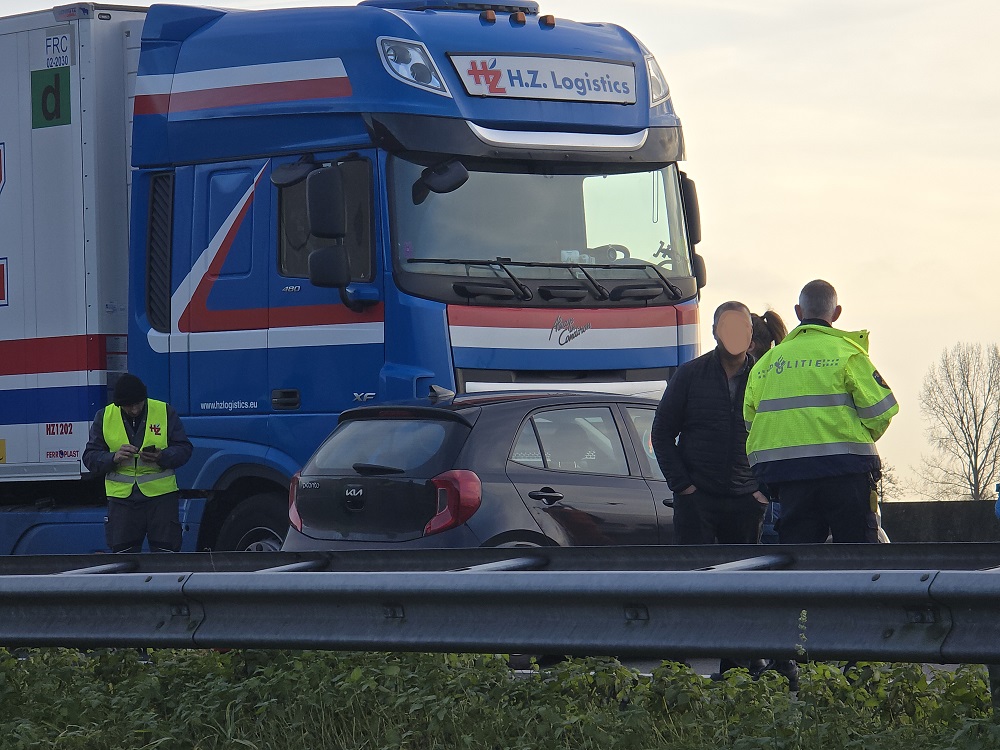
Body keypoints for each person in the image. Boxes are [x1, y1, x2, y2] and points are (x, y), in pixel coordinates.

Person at [744, 280, 898, 544]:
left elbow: (751, 423)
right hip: (846, 474)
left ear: (798, 311)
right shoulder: (848, 354)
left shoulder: (767, 364)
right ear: (836, 313)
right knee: (856, 558)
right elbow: (881, 412)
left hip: (790, 479)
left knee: (800, 562)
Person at [652, 301, 768, 545]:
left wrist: (763, 491)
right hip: (696, 499)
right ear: (715, 331)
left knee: (742, 581)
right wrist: (683, 486)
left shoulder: (765, 378)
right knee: (693, 579)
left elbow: (781, 435)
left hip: (746, 500)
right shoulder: (689, 374)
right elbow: (661, 433)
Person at [82, 374, 192, 553]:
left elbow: (184, 449)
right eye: (128, 406)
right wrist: (113, 457)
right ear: (119, 404)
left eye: (138, 404)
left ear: (144, 398)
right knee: (124, 560)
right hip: (122, 502)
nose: (134, 410)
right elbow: (89, 457)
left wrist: (162, 456)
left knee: (166, 558)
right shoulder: (104, 416)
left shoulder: (165, 411)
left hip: (161, 500)